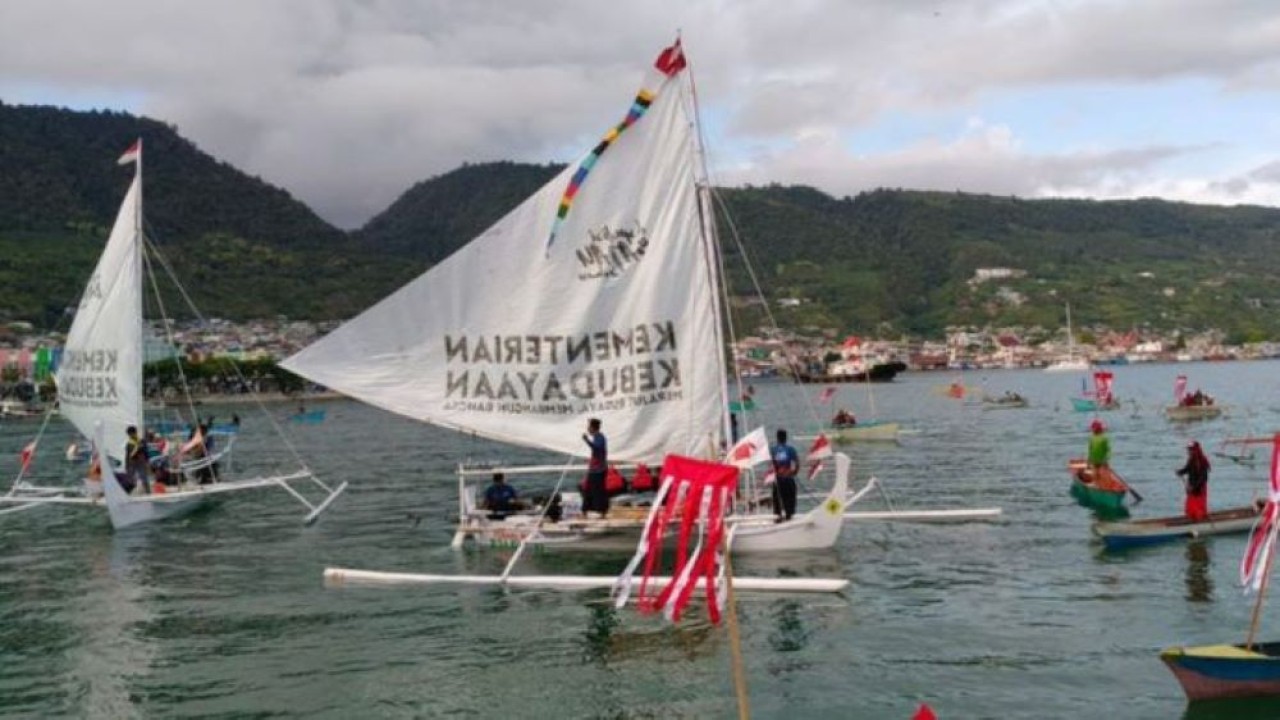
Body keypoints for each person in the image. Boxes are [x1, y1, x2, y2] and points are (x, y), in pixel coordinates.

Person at [1176, 440, 1211, 521]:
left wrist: (1195, 487)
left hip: (1199, 488)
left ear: (1196, 450)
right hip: (1191, 486)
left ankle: (1199, 520)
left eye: (1191, 449)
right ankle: (1192, 518)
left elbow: (1204, 477)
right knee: (1190, 505)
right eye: (1189, 449)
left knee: (1198, 506)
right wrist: (1180, 472)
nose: (1189, 451)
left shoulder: (1202, 461)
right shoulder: (1191, 460)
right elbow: (1187, 469)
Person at [771, 429, 799, 522]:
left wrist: (778, 473)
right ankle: (789, 518)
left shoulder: (773, 450)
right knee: (790, 503)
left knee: (777, 504)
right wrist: (792, 473)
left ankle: (778, 519)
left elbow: (773, 465)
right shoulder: (791, 449)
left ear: (777, 438)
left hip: (778, 480)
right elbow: (795, 465)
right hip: (788, 479)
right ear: (786, 438)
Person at [582, 418, 608, 518]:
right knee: (588, 489)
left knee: (598, 490)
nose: (588, 429)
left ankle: (601, 511)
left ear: (593, 428)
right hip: (595, 468)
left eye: (589, 427)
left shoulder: (600, 437)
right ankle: (587, 510)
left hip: (599, 470)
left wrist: (586, 440)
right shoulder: (597, 437)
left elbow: (597, 448)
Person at [124, 425, 150, 494]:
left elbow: (146, 452)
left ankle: (148, 492)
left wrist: (147, 462)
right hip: (132, 463)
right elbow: (127, 455)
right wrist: (126, 465)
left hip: (141, 462)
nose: (130, 435)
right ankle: (128, 493)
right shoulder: (129, 444)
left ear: (134, 433)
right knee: (130, 478)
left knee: (144, 477)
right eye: (129, 434)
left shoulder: (141, 441)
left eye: (130, 434)